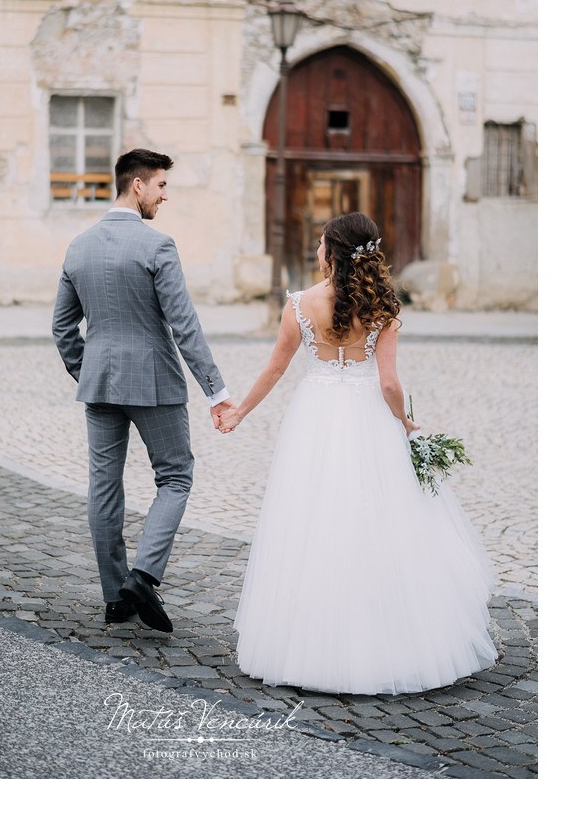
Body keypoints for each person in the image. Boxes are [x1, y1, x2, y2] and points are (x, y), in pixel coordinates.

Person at [218, 212, 497, 695]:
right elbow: (389, 383)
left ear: (332, 251)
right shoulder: (381, 308)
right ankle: (384, 638)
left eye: (322, 242)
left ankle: (305, 641)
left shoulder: (300, 305)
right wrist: (406, 424)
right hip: (368, 419)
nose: (317, 249)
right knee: (381, 520)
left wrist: (240, 411)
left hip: (315, 419)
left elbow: (276, 368)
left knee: (311, 522)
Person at [52, 148, 234, 633]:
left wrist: (87, 370)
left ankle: (115, 598)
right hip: (154, 383)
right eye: (160, 186)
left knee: (104, 486)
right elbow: (185, 326)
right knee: (175, 477)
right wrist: (216, 391)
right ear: (137, 186)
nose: (164, 196)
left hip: (100, 385)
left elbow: (62, 328)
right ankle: (143, 575)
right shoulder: (158, 247)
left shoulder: (78, 247)